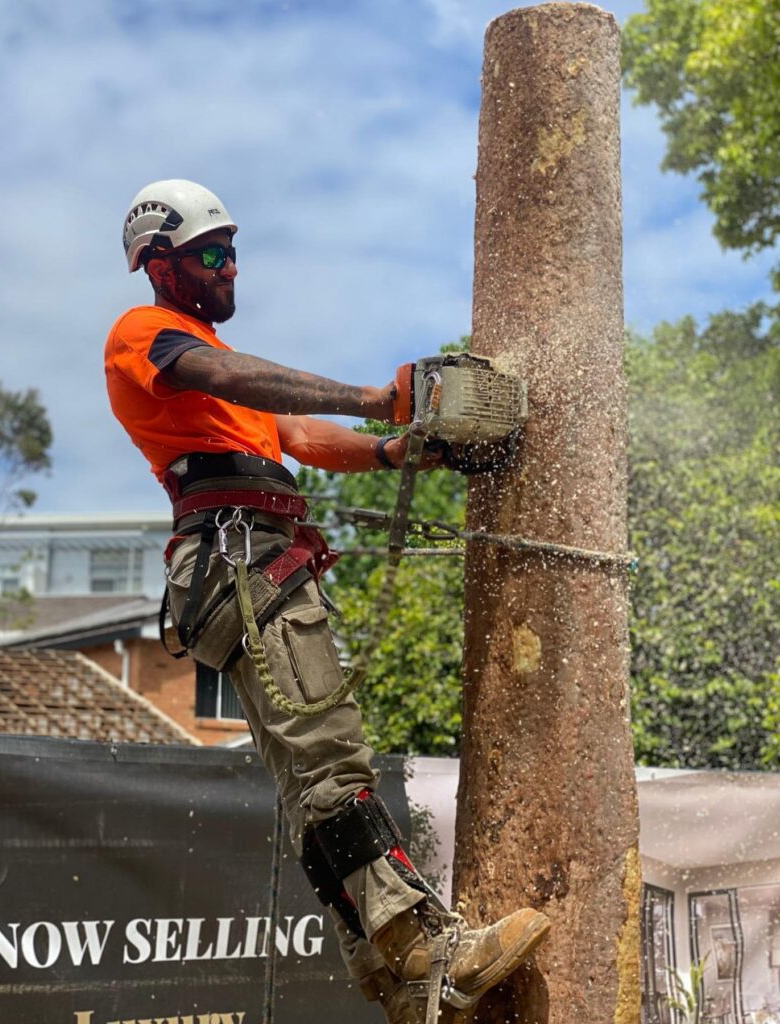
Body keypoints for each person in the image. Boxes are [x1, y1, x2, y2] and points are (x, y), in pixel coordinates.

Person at [105, 179, 550, 1024]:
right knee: (331, 758)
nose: (229, 266)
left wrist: (397, 447)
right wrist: (374, 397)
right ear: (158, 265)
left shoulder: (219, 376)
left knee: (309, 780)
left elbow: (302, 436)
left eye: (232, 250)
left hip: (244, 564)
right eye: (210, 253)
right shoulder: (147, 336)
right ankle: (426, 946)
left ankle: (395, 979)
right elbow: (232, 374)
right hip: (241, 558)